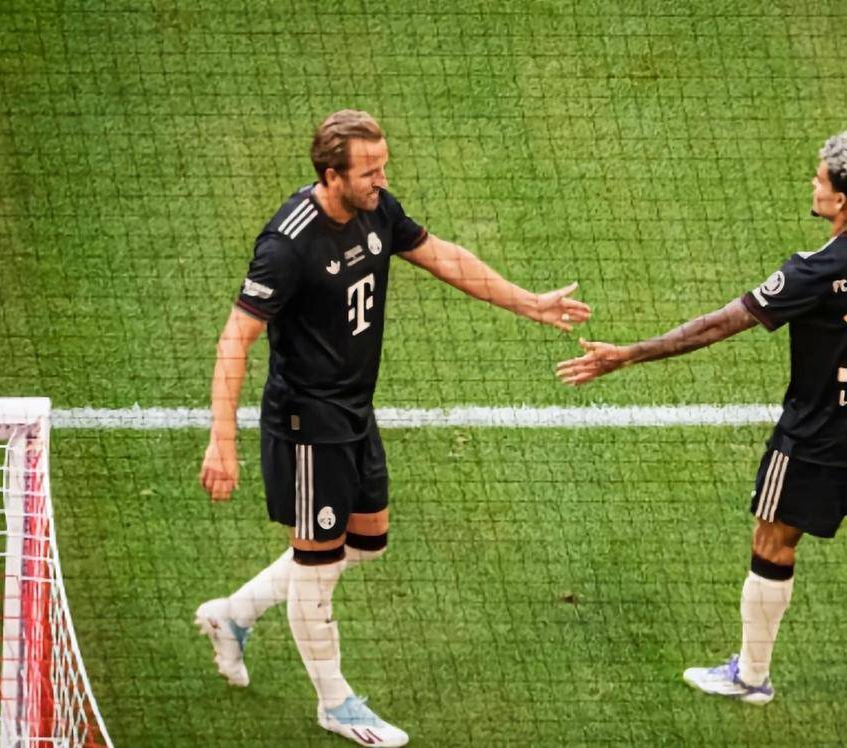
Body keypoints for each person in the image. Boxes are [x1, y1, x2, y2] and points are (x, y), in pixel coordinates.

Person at [556, 132, 847, 742]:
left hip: (815, 440)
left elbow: (717, 326)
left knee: (772, 543)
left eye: (820, 179)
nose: (813, 184)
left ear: (841, 199)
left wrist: (629, 354)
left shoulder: (816, 269)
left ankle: (751, 677)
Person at [196, 109, 591, 746]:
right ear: (332, 175)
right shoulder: (287, 245)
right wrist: (222, 442)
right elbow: (233, 340)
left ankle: (233, 614)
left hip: (355, 410)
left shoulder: (376, 208)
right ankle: (335, 703)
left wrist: (527, 302)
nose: (382, 179)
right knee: (318, 565)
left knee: (365, 540)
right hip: (308, 425)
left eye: (383, 167)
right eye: (369, 171)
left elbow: (443, 256)